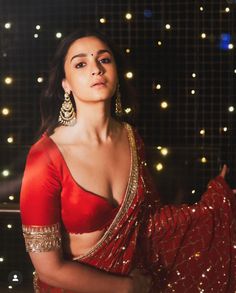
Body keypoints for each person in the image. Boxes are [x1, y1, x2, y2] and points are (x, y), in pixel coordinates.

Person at [20, 29, 236, 293]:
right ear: (66, 84)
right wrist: (126, 288)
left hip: (138, 280)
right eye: (81, 64)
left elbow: (148, 224)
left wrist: (215, 207)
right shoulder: (45, 157)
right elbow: (48, 269)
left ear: (116, 74)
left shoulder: (131, 138)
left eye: (105, 60)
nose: (96, 69)